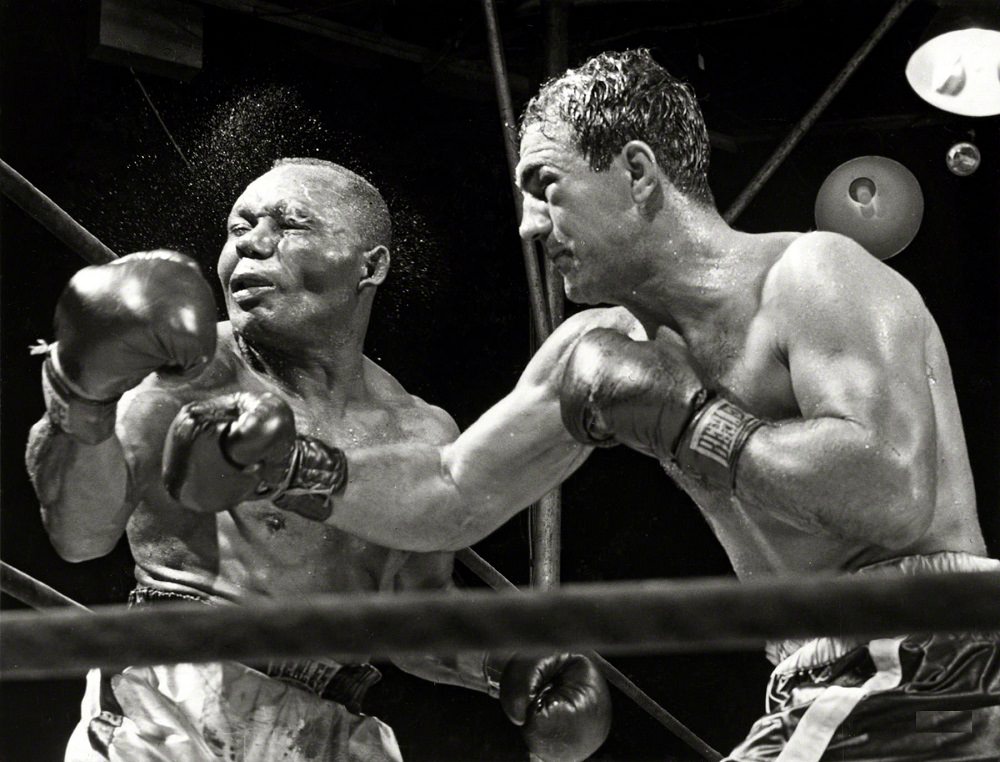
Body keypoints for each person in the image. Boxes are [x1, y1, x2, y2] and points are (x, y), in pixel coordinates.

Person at [160, 50, 1000, 760]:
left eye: (546, 185)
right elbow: (449, 495)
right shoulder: (592, 350)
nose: (528, 224)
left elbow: (890, 494)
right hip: (812, 673)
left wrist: (690, 418)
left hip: (926, 650)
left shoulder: (813, 276)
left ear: (636, 172)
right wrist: (291, 463)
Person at [25, 157, 611, 762]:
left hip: (332, 721)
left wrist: (501, 662)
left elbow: (411, 612)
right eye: (238, 228)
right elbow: (79, 537)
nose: (251, 243)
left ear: (371, 266)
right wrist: (78, 397)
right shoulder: (192, 375)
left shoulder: (420, 430)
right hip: (172, 694)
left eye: (289, 223)